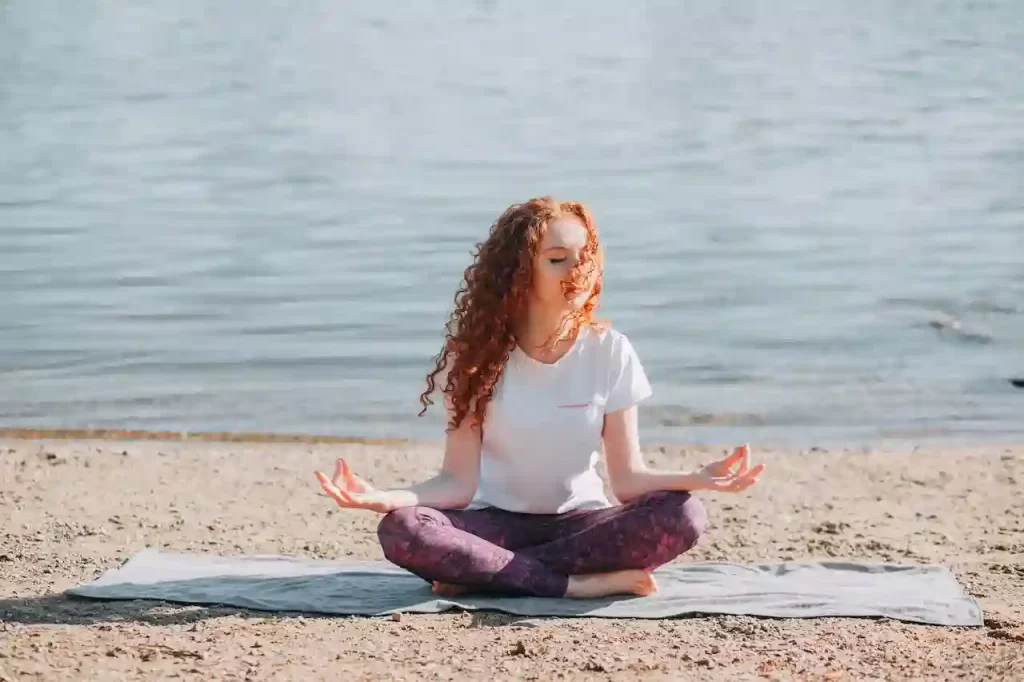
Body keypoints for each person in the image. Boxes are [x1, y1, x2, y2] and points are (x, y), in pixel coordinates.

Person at [315, 196, 764, 599]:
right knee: (404, 529)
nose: (579, 269)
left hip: (580, 526)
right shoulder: (476, 357)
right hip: (495, 525)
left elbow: (627, 481)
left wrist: (698, 477)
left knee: (684, 513)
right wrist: (385, 497)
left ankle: (487, 576)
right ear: (519, 273)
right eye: (558, 259)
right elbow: (455, 484)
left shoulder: (610, 349)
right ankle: (571, 585)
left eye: (585, 256)